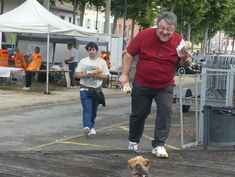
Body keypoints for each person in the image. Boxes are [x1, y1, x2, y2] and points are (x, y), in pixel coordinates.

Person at [118, 11, 192, 158]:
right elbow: (129, 54)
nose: (165, 32)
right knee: (139, 114)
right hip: (142, 82)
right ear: (157, 24)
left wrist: (185, 58)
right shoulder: (144, 35)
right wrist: (124, 74)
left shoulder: (180, 41)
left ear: (174, 28)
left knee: (165, 113)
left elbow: (186, 64)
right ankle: (133, 141)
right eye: (162, 28)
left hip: (165, 85)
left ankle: (159, 145)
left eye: (169, 29)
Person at [76, 42, 110, 137]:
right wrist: (85, 75)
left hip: (97, 89)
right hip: (85, 88)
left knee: (94, 109)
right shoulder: (83, 61)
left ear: (96, 50)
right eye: (89, 50)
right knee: (87, 108)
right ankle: (86, 127)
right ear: (87, 51)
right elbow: (77, 74)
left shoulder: (101, 62)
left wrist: (98, 75)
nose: (91, 51)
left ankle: (91, 126)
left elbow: (106, 75)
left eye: (93, 49)